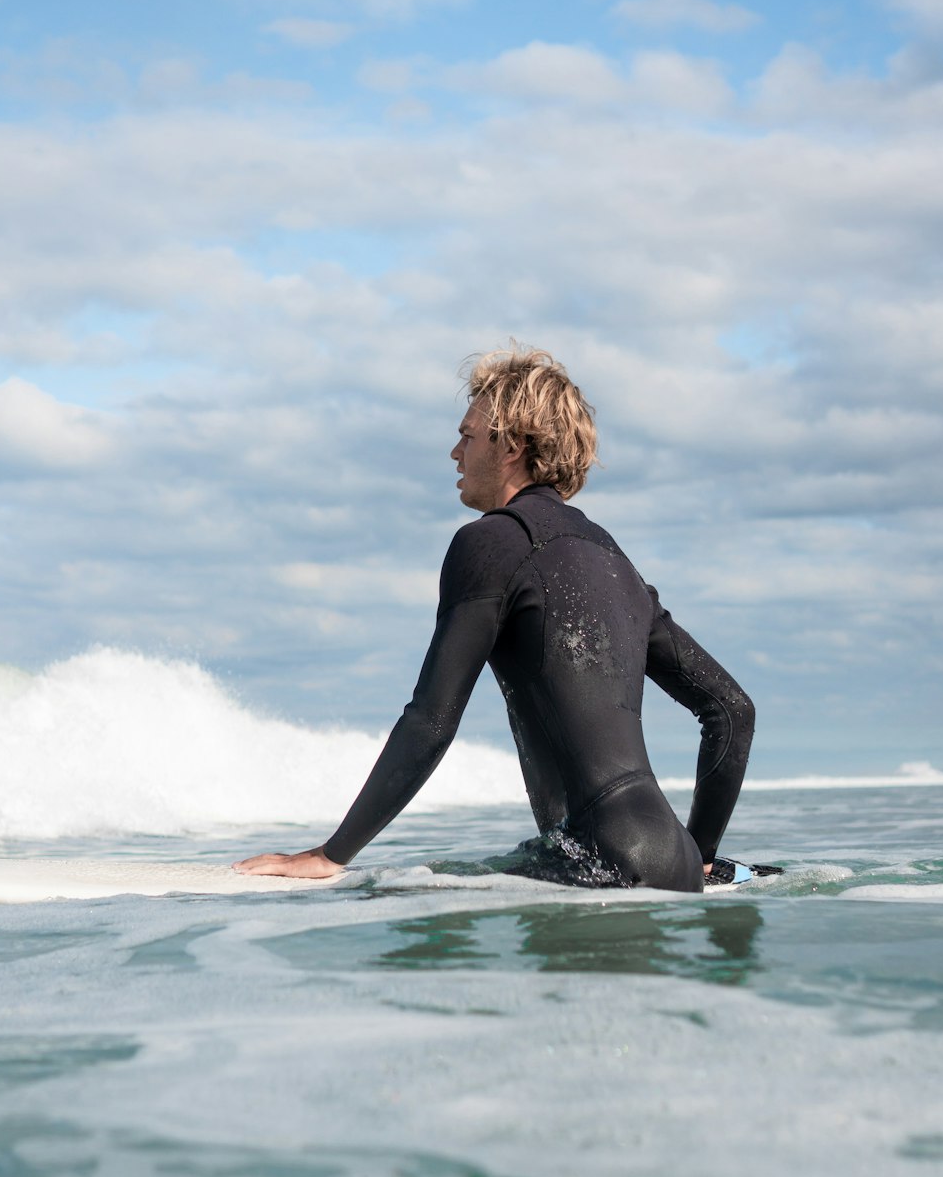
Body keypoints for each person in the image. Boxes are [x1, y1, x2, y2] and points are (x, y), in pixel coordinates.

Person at [235, 347, 755, 892]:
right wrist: (698, 855)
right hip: (669, 858)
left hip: (598, 863)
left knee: (394, 916)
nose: (454, 452)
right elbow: (732, 712)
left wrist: (331, 853)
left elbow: (430, 721)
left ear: (511, 445)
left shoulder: (492, 543)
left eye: (468, 435)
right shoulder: (615, 560)